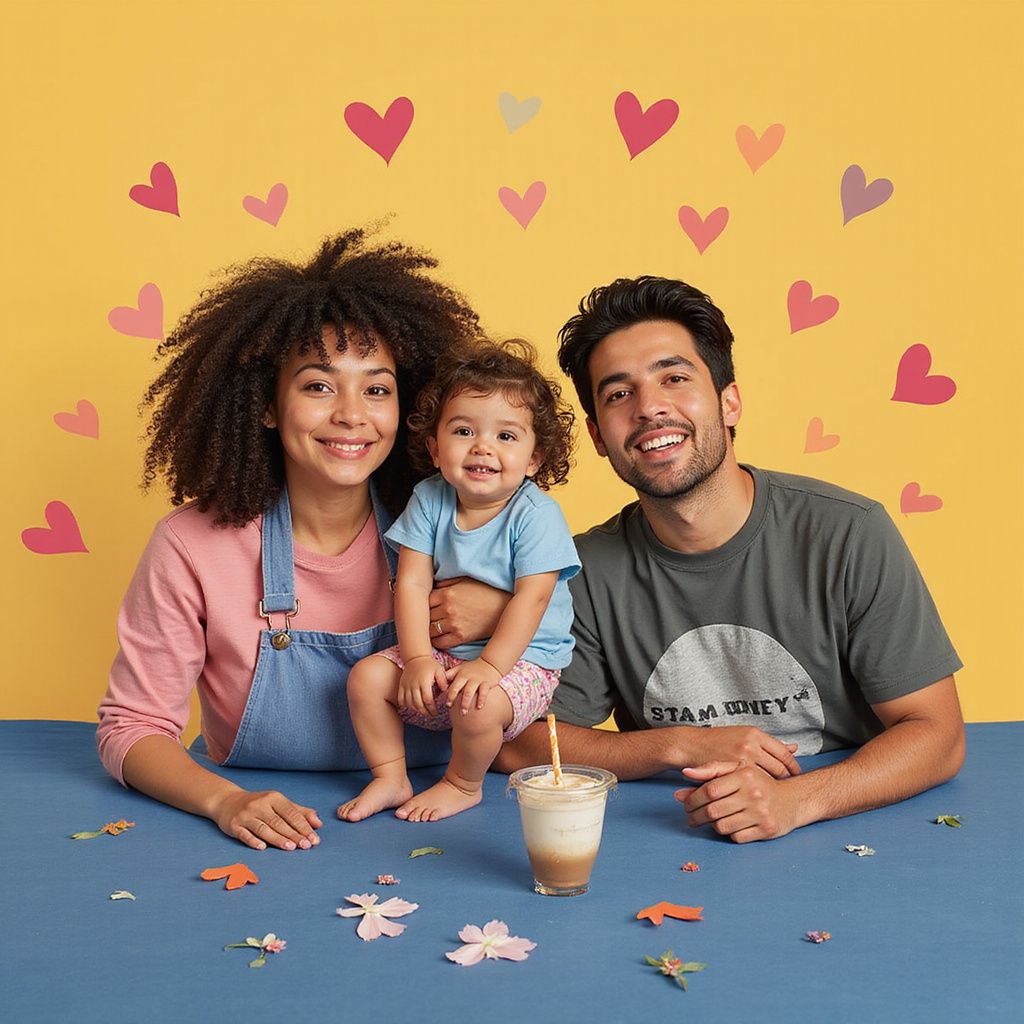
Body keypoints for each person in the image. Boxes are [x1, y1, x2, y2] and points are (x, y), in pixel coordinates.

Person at [497, 276, 965, 843]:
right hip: (677, 838)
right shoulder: (581, 569)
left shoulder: (848, 532)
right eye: (619, 394)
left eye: (675, 378)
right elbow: (521, 741)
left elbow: (937, 735)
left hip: (857, 828)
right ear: (599, 435)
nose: (650, 408)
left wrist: (795, 801)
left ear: (729, 400)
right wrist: (678, 744)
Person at [97, 228, 511, 852]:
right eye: (319, 385)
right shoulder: (192, 545)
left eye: (377, 388)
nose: (351, 414)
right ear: (267, 405)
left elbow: (564, 645)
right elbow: (131, 728)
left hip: (447, 825)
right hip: (259, 836)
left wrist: (504, 610)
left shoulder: (474, 525)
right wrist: (224, 800)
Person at [338, 341, 579, 823]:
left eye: (507, 436)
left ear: (534, 458)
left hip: (521, 661)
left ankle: (462, 783)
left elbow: (533, 599)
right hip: (444, 654)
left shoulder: (536, 516)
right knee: (366, 679)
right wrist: (418, 659)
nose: (483, 447)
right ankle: (389, 776)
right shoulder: (430, 499)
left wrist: (490, 667)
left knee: (479, 704)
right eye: (464, 430)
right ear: (434, 447)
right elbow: (409, 584)